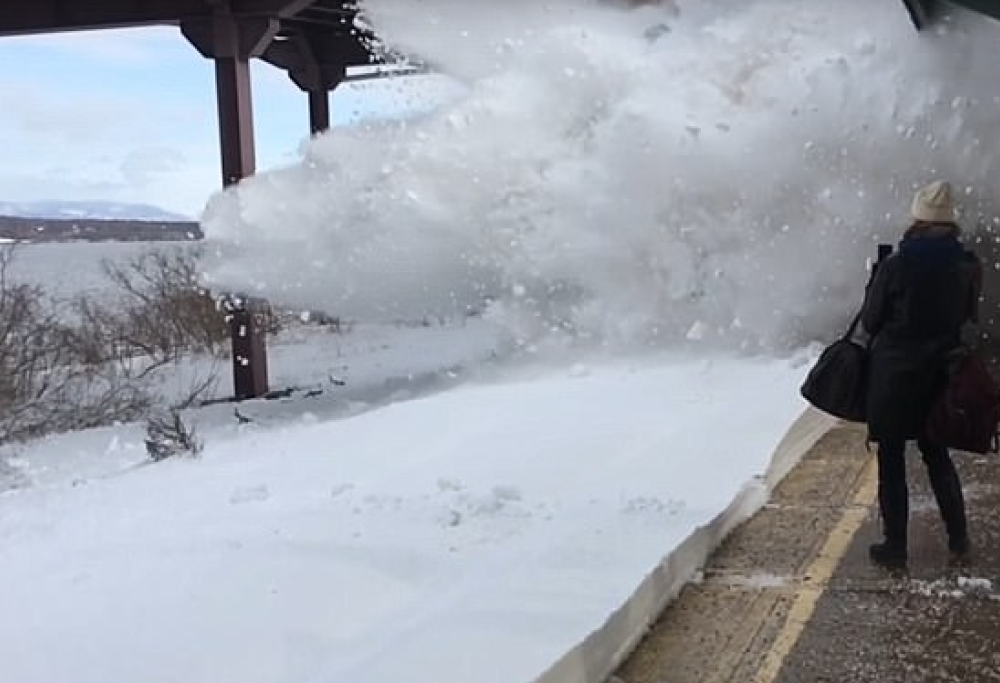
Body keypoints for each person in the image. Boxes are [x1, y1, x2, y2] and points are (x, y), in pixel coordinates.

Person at [861, 180, 981, 568]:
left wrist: (875, 282)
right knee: (937, 456)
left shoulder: (896, 265)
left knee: (892, 461)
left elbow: (871, 320)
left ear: (917, 219)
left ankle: (895, 546)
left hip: (894, 377)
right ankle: (958, 539)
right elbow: (968, 318)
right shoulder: (966, 265)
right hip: (940, 375)